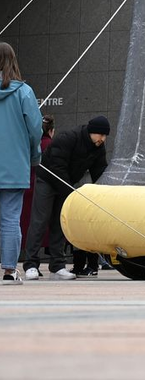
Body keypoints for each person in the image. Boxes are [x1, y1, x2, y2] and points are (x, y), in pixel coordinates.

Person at [23, 114, 109, 279]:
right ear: (92, 132)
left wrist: (104, 192)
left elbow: (100, 171)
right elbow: (56, 166)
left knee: (60, 223)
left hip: (66, 183)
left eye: (105, 136)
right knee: (39, 221)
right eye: (101, 135)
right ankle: (31, 265)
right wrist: (70, 192)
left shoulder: (98, 147)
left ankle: (57, 266)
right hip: (47, 179)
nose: (103, 139)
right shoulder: (68, 138)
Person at [0, 43, 43, 284]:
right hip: (14, 165)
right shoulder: (24, 92)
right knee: (10, 219)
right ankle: (8, 271)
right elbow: (35, 130)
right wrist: (33, 156)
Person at [19, 115, 53, 254]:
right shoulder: (51, 146)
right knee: (42, 226)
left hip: (25, 187)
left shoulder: (28, 145)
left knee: (25, 225)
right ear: (51, 131)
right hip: (43, 191)